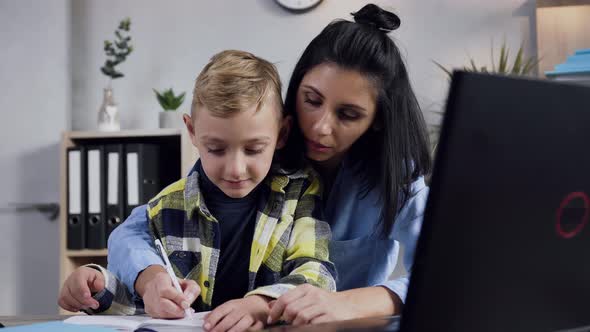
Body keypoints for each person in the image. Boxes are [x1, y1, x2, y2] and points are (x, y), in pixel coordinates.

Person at [109, 2, 432, 329]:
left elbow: (445, 271)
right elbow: (136, 231)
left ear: (377, 119)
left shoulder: (397, 180)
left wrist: (348, 302)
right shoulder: (252, 158)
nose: (320, 127)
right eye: (312, 100)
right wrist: (152, 278)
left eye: (348, 115)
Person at [57, 50, 336, 332]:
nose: (235, 169)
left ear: (283, 133)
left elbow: (316, 274)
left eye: (253, 149)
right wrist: (98, 287)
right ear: (191, 131)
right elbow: (142, 305)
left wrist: (263, 305)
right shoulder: (165, 207)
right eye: (216, 149)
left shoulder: (299, 195)